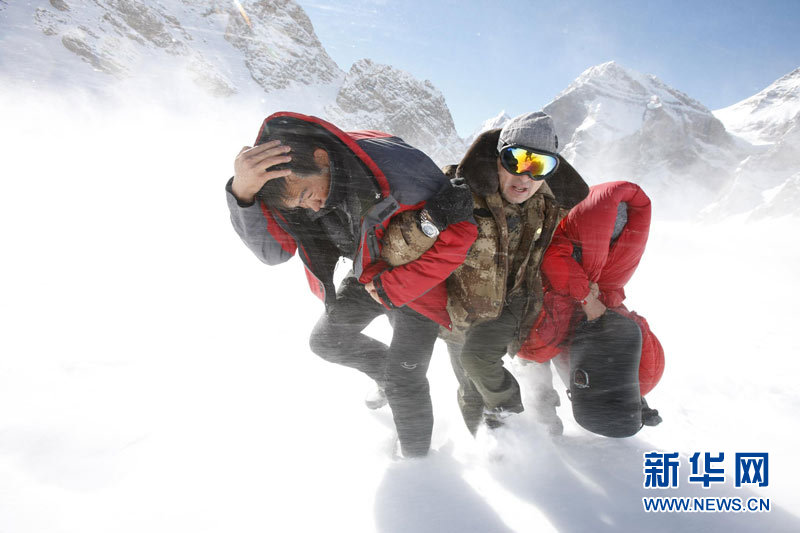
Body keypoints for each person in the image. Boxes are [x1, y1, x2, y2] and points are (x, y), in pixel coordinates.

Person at [226, 112, 477, 457]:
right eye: (300, 204)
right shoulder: (289, 184)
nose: (311, 206)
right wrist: (242, 193)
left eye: (307, 194)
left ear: (321, 159)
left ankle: (418, 464)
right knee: (327, 341)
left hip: (420, 284)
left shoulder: (402, 177)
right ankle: (388, 378)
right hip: (369, 270)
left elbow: (462, 232)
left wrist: (396, 286)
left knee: (406, 379)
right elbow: (272, 253)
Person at [436, 111, 589, 434]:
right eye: (516, 160)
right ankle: (486, 445)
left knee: (477, 361)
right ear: (498, 157)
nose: (525, 177)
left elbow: (596, 220)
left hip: (510, 305)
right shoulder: (457, 189)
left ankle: (514, 428)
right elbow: (407, 234)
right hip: (457, 310)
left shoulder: (549, 203)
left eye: (540, 166)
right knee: (470, 388)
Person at [518, 180, 666, 437]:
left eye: (616, 238)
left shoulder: (603, 235)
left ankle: (628, 399)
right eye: (609, 236)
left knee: (606, 352)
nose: (611, 241)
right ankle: (543, 417)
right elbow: (553, 258)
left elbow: (610, 277)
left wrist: (601, 304)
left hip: (584, 309)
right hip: (544, 305)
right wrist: (586, 295)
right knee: (536, 353)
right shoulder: (560, 227)